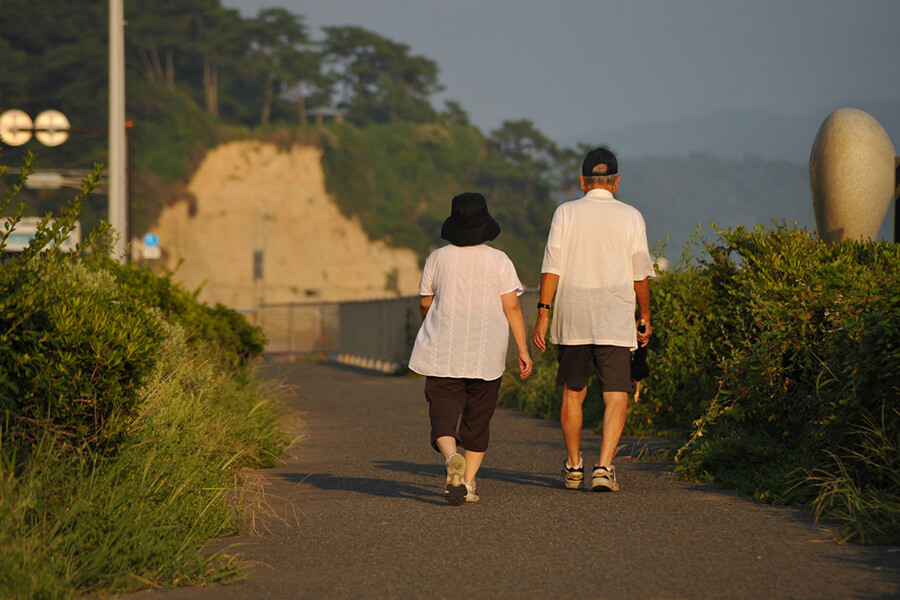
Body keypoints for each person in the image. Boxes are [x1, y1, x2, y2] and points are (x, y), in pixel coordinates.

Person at [531, 147, 654, 492]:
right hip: (614, 315)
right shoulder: (632, 216)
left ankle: (573, 466)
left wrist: (543, 312)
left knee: (574, 392)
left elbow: (552, 265)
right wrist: (644, 315)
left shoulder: (565, 213)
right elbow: (640, 274)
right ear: (616, 182)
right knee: (616, 394)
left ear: (583, 181)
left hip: (573, 316)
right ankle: (604, 467)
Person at [409, 192, 533, 506]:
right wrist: (522, 349)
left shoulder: (437, 258)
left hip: (443, 351)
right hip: (486, 353)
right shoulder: (499, 260)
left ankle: (451, 456)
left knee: (442, 414)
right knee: (478, 421)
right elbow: (513, 307)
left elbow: (426, 302)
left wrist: (431, 321)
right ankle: (468, 482)